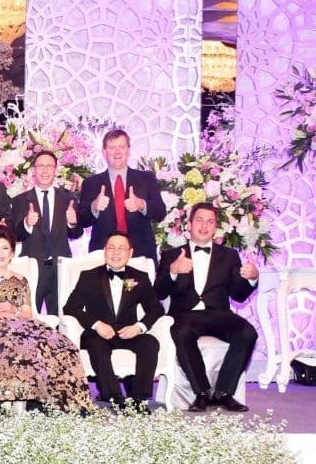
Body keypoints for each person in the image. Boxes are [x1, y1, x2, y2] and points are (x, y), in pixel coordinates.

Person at [0, 225, 93, 412]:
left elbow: (27, 313)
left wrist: (13, 309)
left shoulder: (21, 280)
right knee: (2, 345)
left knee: (61, 346)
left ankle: (43, 400)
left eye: (5, 248)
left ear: (11, 253)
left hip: (20, 326)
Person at [155, 202, 259, 412]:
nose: (204, 226)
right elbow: (158, 293)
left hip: (218, 313)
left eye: (210, 221)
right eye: (199, 220)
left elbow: (238, 295)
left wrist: (253, 278)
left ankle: (223, 393)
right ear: (189, 225)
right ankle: (201, 393)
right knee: (181, 331)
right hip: (185, 315)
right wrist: (173, 271)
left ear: (215, 227)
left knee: (247, 333)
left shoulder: (229, 255)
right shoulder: (171, 255)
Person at [62, 230, 164, 408]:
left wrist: (139, 327)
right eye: (111, 247)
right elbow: (70, 307)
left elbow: (156, 309)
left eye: (121, 248)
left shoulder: (140, 277)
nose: (116, 252)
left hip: (128, 333)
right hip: (98, 334)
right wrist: (96, 324)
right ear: (105, 250)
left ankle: (139, 399)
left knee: (150, 343)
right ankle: (114, 398)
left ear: (130, 253)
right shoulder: (89, 276)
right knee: (97, 346)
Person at [8, 150, 84, 314]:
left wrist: (72, 222)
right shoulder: (20, 200)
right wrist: (27, 223)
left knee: (61, 317)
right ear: (33, 170)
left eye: (49, 166)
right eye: (40, 166)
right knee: (28, 318)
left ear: (56, 170)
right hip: (31, 268)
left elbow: (77, 234)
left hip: (60, 268)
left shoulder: (68, 199)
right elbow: (14, 235)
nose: (45, 170)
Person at [76, 128, 165, 264]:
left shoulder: (147, 178)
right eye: (112, 147)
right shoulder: (91, 182)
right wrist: (93, 207)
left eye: (121, 147)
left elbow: (160, 212)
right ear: (104, 152)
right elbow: (81, 220)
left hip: (141, 254)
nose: (117, 152)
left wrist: (142, 205)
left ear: (128, 150)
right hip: (102, 255)